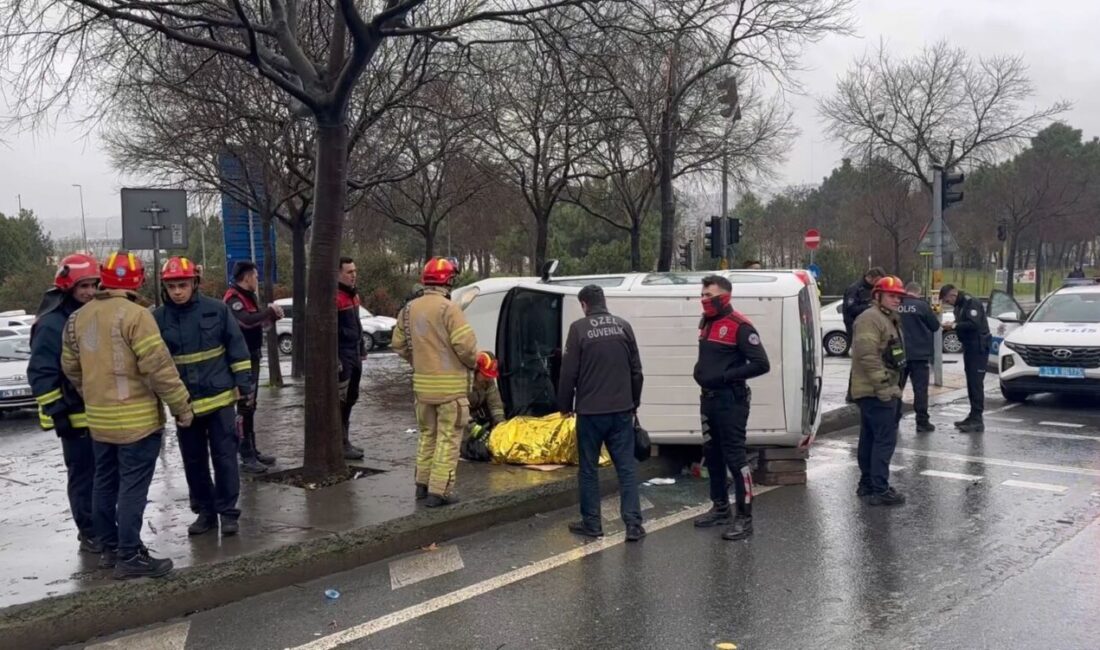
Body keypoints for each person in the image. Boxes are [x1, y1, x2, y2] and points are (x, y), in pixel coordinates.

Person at [61, 251, 192, 579]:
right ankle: (130, 555)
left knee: (103, 483)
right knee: (132, 488)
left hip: (99, 421)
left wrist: (92, 393)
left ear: (104, 278)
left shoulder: (78, 318)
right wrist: (182, 408)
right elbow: (159, 369)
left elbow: (70, 365)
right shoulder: (137, 316)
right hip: (137, 423)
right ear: (138, 280)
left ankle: (108, 548)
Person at [155, 257, 253, 537]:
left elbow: (237, 350)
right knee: (194, 462)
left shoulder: (217, 310)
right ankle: (205, 513)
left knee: (225, 458)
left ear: (194, 283)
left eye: (182, 285)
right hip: (185, 405)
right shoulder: (157, 319)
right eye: (172, 286)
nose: (177, 291)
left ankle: (228, 513)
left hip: (220, 400)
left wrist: (244, 388)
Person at [557, 285, 646, 542]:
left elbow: (568, 373)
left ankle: (592, 524)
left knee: (588, 469)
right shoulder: (623, 326)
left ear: (584, 304)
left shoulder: (579, 329)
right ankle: (633, 525)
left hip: (591, 413)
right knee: (626, 469)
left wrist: (564, 405)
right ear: (603, 302)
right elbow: (636, 371)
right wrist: (634, 402)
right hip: (621, 411)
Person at [27, 253, 101, 555]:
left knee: (103, 475)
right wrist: (57, 411)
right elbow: (41, 373)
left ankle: (103, 527)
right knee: (84, 476)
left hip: (99, 412)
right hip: (72, 415)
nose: (89, 292)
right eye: (83, 286)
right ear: (68, 286)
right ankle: (89, 531)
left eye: (93, 285)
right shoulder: (51, 324)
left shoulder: (89, 314)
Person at [392, 257, 478, 507]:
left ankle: (422, 484)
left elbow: (398, 344)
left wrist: (418, 360)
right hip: (450, 390)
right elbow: (466, 346)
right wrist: (470, 363)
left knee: (427, 435)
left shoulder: (408, 309)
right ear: (448, 280)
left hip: (422, 388)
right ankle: (440, 491)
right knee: (448, 439)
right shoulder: (448, 308)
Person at [692, 275, 771, 540]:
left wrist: (727, 376)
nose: (704, 299)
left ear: (724, 296)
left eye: (709, 295)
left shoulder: (740, 326)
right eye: (702, 294)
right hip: (708, 400)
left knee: (736, 459)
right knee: (711, 455)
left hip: (731, 401)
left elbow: (761, 364)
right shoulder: (706, 321)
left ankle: (745, 518)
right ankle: (720, 507)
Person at [851, 275, 908, 506]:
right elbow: (868, 356)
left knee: (871, 438)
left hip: (878, 389)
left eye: (899, 296)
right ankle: (879, 488)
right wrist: (885, 388)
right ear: (878, 296)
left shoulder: (886, 318)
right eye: (892, 295)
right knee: (883, 441)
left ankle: (867, 484)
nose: (896, 300)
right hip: (877, 391)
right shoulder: (871, 319)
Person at [223, 261, 283, 473]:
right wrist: (268, 311)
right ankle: (245, 454)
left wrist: (271, 318)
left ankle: (252, 448)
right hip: (240, 360)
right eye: (255, 276)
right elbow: (246, 322)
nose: (256, 280)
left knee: (251, 405)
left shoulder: (249, 297)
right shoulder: (233, 298)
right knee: (244, 406)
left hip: (253, 357)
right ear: (246, 277)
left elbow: (258, 324)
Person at [939, 284, 991, 433]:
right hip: (970, 347)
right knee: (971, 382)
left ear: (953, 294)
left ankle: (977, 419)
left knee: (976, 383)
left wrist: (954, 326)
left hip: (978, 347)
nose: (947, 303)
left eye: (947, 300)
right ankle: (973, 415)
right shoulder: (960, 305)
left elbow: (973, 324)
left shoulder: (970, 302)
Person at [897, 281, 939, 433]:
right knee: (920, 390)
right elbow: (935, 326)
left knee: (896, 388)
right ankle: (922, 422)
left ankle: (894, 418)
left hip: (898, 354)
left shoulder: (896, 305)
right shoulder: (922, 306)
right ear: (918, 292)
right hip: (919, 355)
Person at [337, 257, 367, 460]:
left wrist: (362, 348)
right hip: (343, 354)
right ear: (338, 274)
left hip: (354, 352)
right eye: (349, 272)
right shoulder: (335, 298)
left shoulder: (353, 296)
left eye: (354, 271)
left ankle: (344, 440)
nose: (353, 275)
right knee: (341, 399)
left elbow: (358, 324)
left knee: (351, 398)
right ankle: (340, 442)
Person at [843, 267, 886, 400]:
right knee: (859, 359)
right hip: (856, 327)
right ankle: (852, 393)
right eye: (877, 281)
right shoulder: (855, 289)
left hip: (870, 327)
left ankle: (866, 391)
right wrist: (869, 307)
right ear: (871, 277)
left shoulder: (873, 289)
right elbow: (850, 309)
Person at [468, 351, 506, 434]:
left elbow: (495, 403)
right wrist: (475, 429)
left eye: (489, 376)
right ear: (476, 370)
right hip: (464, 421)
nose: (488, 379)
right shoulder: (463, 381)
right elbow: (458, 411)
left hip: (478, 417)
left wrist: (500, 423)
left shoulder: (488, 381)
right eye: (485, 375)